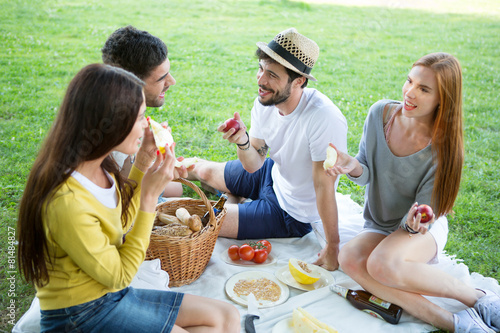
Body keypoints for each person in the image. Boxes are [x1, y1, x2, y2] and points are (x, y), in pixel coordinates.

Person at [17, 64, 240, 333]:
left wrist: (143, 163)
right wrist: (148, 197)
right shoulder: (66, 201)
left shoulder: (100, 166)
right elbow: (120, 276)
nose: (147, 126)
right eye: (140, 118)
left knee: (227, 317)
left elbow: (120, 223)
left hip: (108, 296)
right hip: (79, 315)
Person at [325, 52, 499, 332]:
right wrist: (351, 165)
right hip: (380, 225)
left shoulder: (443, 148)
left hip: (420, 230)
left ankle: (478, 299)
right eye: (409, 81)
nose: (410, 92)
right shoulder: (380, 114)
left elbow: (425, 216)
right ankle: (454, 322)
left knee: (381, 264)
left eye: (423, 89)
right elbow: (366, 172)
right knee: (349, 258)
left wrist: (411, 223)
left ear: (442, 99)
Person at [188, 28, 348, 271]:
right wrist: (243, 140)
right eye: (261, 68)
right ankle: (159, 169)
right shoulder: (266, 101)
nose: (261, 80)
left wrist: (333, 246)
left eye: (272, 74)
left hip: (291, 213)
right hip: (271, 174)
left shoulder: (323, 119)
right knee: (203, 171)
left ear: (299, 81)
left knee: (204, 219)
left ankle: (237, 201)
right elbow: (253, 164)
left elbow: (323, 185)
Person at [102, 25, 183, 200]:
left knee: (178, 188)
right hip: (123, 200)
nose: (172, 81)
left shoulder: (118, 101)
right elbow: (125, 200)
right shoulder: (116, 126)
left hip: (128, 186)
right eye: (162, 78)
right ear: (131, 82)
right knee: (185, 202)